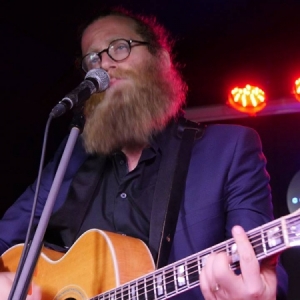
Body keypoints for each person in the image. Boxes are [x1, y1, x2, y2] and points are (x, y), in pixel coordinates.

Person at [0, 6, 288, 300]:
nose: (104, 66)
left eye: (119, 48)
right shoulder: (73, 155)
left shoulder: (230, 148)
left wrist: (264, 293)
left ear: (160, 59)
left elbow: (264, 266)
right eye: (92, 59)